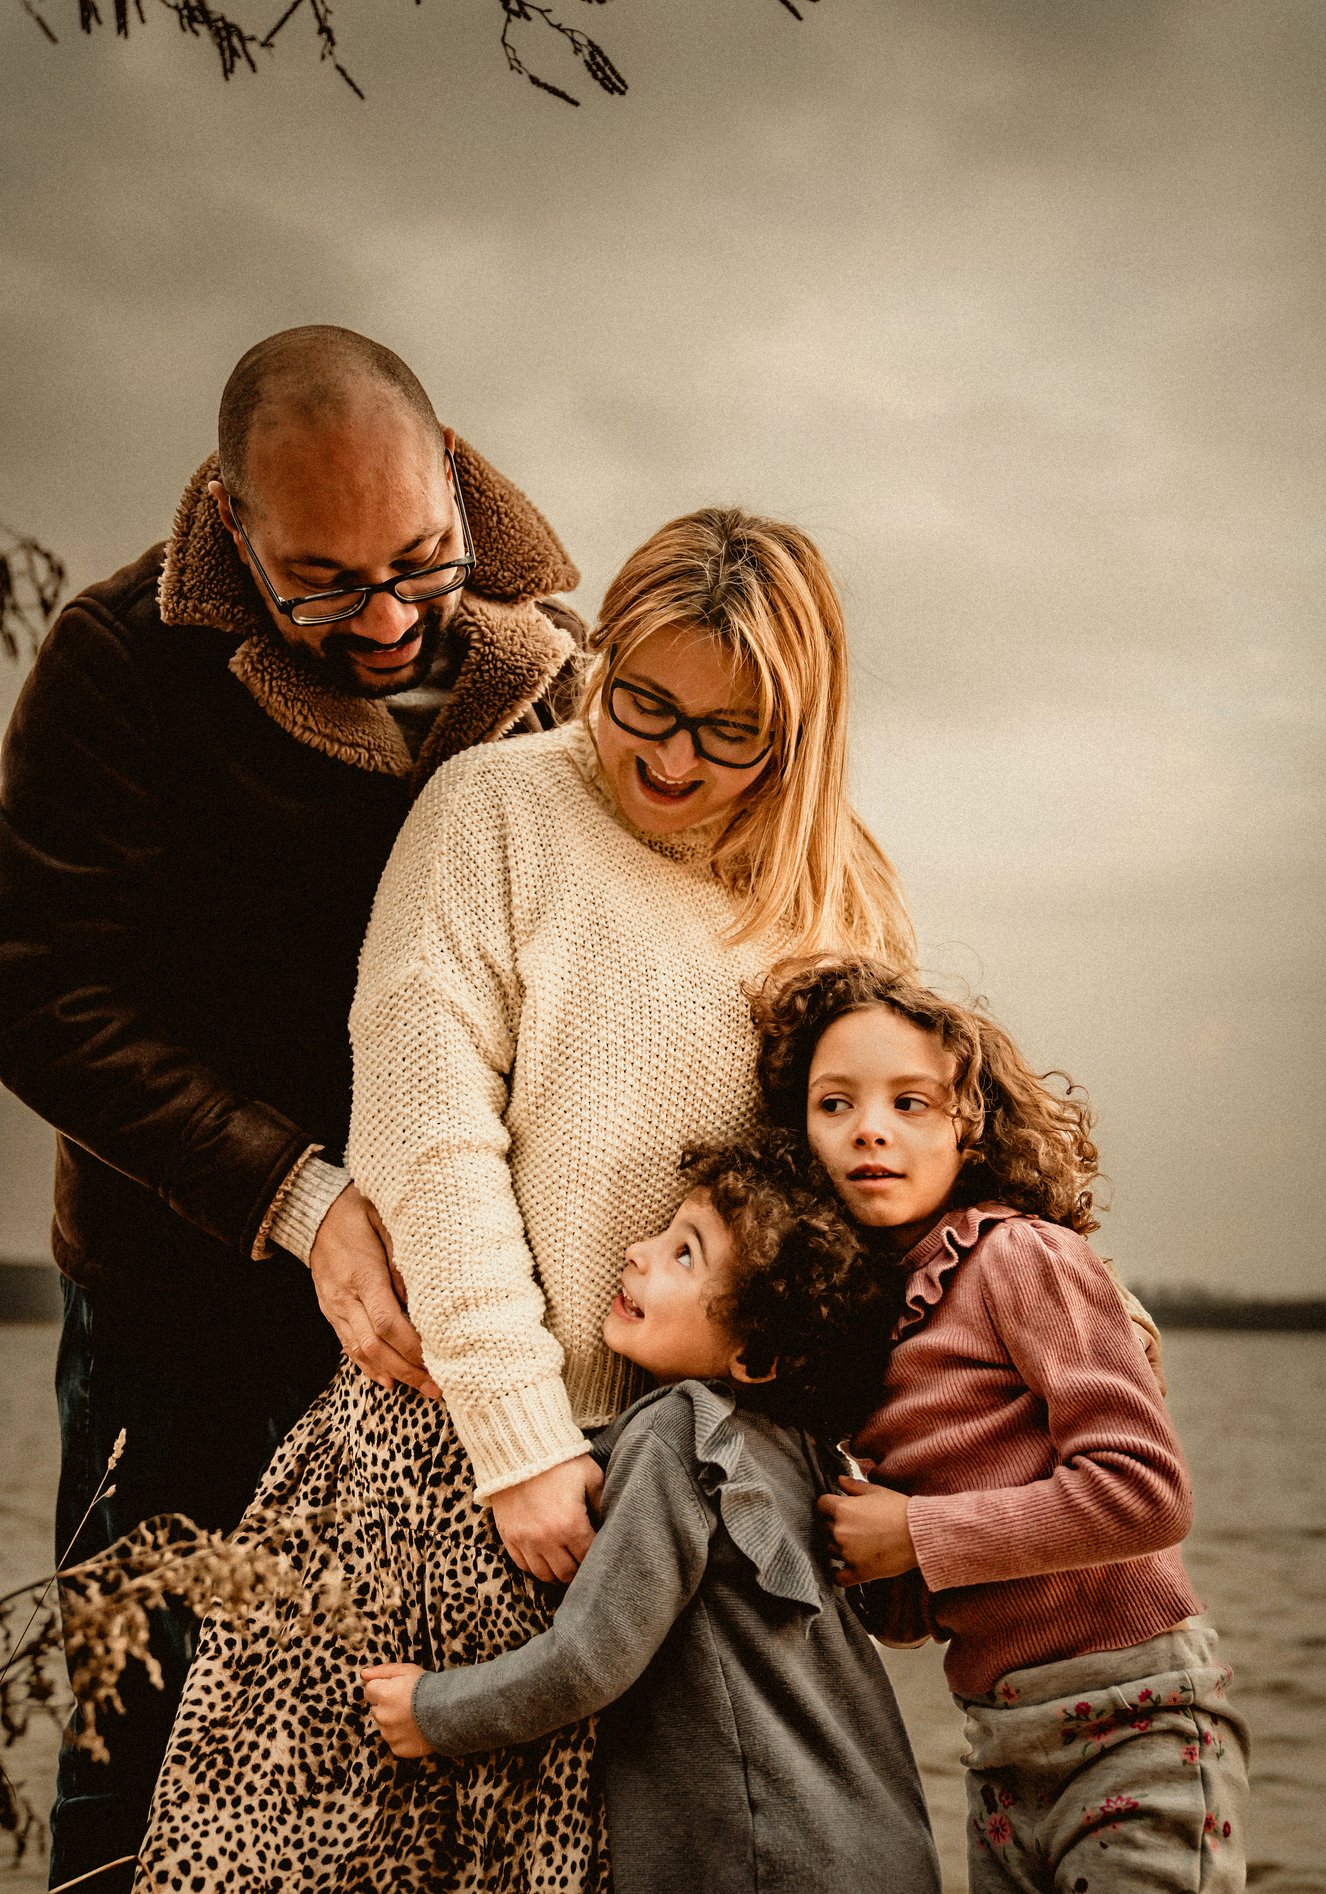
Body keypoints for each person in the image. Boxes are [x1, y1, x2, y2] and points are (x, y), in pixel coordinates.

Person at [135, 507, 916, 1892]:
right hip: (457, 1457)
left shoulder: (841, 892)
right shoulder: (494, 809)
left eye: (728, 733)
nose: (669, 758)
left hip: (697, 1519)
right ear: (599, 655)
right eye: (642, 702)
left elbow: (898, 1166)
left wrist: (1051, 1294)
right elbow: (427, 1132)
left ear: (798, 732)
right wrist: (521, 1441)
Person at [0, 324, 584, 1893]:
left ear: (452, 475)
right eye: (321, 583)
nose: (385, 619)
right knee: (145, 1748)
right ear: (232, 523)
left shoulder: (559, 666)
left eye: (417, 563)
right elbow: (35, 985)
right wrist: (300, 1197)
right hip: (182, 1304)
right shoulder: (114, 661)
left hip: (457, 1325)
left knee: (409, 1765)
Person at [749, 957, 1251, 1893]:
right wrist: (869, 1561)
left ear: (969, 1124)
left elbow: (1147, 1495)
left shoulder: (1018, 1258)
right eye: (834, 1105)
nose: (869, 1129)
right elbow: (925, 1608)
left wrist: (916, 1533)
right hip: (999, 1744)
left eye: (910, 1103)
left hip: (1137, 1718)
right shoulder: (862, 1329)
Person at [362, 1138, 943, 1894]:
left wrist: (434, 1712)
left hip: (765, 1856)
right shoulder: (799, 1451)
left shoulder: (681, 1434)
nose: (638, 1251)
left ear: (755, 1357)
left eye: (683, 1254)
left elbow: (588, 1658)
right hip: (880, 1841)